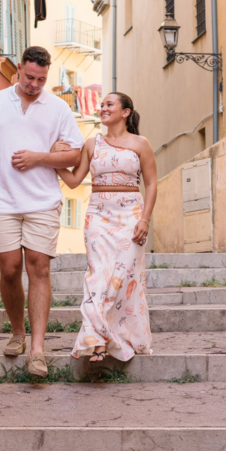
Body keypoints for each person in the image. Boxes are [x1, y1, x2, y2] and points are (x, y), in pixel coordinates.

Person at [0, 46, 82, 378]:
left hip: (43, 200)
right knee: (11, 268)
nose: (34, 84)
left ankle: (38, 350)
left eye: (42, 79)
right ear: (18, 69)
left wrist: (39, 157)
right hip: (1, 200)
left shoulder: (58, 108)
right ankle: (18, 331)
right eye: (30, 77)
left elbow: (75, 156)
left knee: (39, 268)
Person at [57, 91, 157, 365]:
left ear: (125, 112)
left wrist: (144, 219)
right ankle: (96, 341)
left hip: (130, 216)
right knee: (98, 277)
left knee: (123, 278)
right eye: (101, 105)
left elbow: (151, 185)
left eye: (109, 104)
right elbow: (76, 180)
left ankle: (116, 336)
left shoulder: (140, 143)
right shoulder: (91, 144)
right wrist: (54, 163)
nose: (102, 108)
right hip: (98, 216)